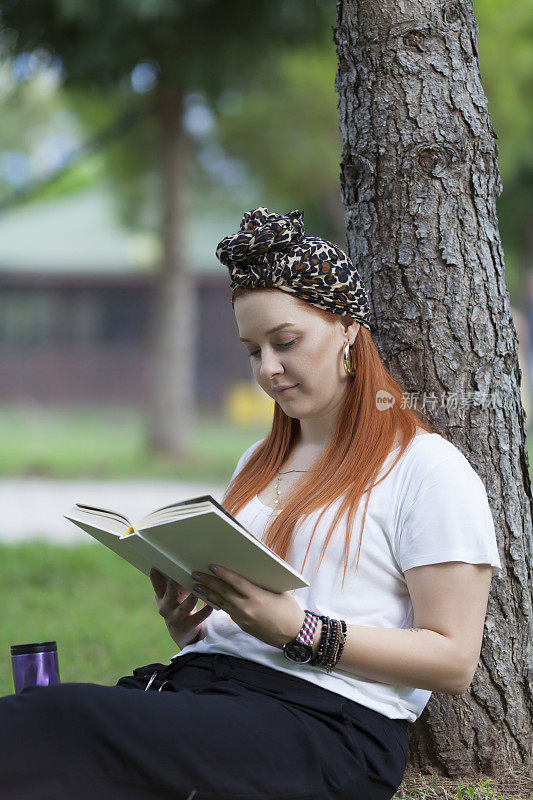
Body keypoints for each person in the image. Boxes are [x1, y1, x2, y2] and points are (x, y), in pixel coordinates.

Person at [0, 207, 502, 800]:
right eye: (251, 350)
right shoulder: (257, 461)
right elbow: (250, 624)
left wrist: (301, 630)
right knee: (35, 720)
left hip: (327, 726)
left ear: (346, 328)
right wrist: (192, 623)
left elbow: (453, 661)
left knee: (59, 719)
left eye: (286, 342)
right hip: (212, 694)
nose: (268, 368)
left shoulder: (427, 469)